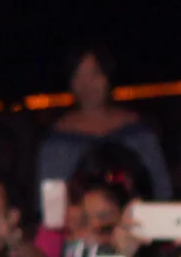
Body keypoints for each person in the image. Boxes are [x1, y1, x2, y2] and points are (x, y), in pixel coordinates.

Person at [37, 46, 171, 199]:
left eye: (94, 74)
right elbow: (48, 200)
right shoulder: (58, 141)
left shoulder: (138, 132)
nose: (86, 85)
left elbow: (162, 189)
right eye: (78, 76)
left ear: (108, 77)